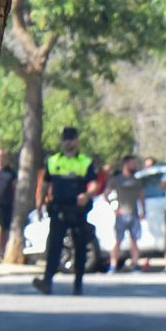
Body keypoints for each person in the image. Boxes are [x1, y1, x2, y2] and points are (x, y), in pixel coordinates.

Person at [33, 126, 98, 295]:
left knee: (80, 246)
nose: (69, 143)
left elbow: (94, 184)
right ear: (62, 142)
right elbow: (44, 184)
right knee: (54, 246)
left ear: (77, 141)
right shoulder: (53, 161)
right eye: (66, 140)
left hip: (78, 210)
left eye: (72, 139)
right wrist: (39, 205)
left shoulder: (85, 161)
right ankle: (47, 281)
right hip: (58, 209)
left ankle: (78, 283)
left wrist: (87, 195)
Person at [107, 155, 147, 273]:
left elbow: (142, 196)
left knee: (134, 241)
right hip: (121, 216)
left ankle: (135, 264)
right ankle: (113, 265)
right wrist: (114, 209)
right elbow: (106, 194)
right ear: (126, 164)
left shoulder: (136, 180)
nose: (134, 166)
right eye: (132, 163)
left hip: (134, 214)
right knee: (118, 241)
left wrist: (143, 210)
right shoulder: (117, 180)